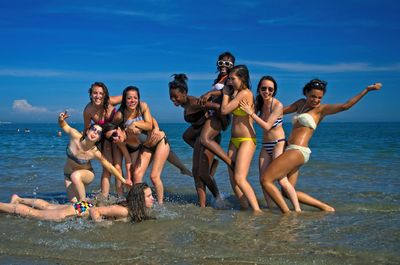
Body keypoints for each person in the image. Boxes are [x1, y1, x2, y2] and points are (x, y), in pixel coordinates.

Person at [261, 79, 382, 213]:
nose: (316, 100)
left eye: (319, 98)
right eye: (313, 96)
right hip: (290, 150)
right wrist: (260, 106)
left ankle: (287, 214)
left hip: (298, 151)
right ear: (306, 93)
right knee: (287, 191)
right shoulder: (300, 104)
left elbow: (345, 106)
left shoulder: (321, 110)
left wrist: (367, 90)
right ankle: (325, 208)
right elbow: (277, 112)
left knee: (266, 180)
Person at [240, 76, 301, 212]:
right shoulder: (259, 103)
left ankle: (297, 210)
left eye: (270, 89)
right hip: (265, 144)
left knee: (281, 179)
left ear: (274, 91)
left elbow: (267, 126)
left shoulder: (277, 105)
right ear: (259, 89)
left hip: (278, 143)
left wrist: (251, 113)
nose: (267, 91)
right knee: (263, 179)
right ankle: (270, 208)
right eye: (263, 88)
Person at [169, 74, 223, 207]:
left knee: (202, 173)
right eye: (171, 97)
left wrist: (222, 124)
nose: (173, 99)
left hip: (209, 137)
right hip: (198, 135)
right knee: (196, 172)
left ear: (184, 93)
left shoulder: (194, 102)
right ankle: (202, 206)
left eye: (176, 97)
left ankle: (218, 197)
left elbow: (216, 107)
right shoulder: (185, 104)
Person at [111, 86, 169, 204]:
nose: (132, 100)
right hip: (145, 146)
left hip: (159, 142)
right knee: (136, 174)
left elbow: (148, 125)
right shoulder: (120, 115)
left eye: (135, 98)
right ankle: (138, 203)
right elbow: (112, 127)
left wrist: (136, 124)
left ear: (139, 98)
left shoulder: (142, 106)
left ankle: (160, 204)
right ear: (124, 100)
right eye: (129, 98)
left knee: (154, 176)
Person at [58, 111, 125, 202]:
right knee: (74, 204)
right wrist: (61, 119)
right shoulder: (75, 136)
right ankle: (91, 204)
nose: (95, 133)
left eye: (98, 133)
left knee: (76, 180)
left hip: (86, 174)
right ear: (88, 130)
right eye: (93, 129)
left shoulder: (95, 152)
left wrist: (123, 180)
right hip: (67, 175)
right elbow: (64, 126)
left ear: (99, 138)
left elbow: (109, 166)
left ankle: (84, 201)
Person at [0, 183, 154, 223]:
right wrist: (101, 224)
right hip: (81, 210)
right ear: (139, 199)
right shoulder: (125, 211)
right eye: (149, 196)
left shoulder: (130, 208)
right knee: (35, 214)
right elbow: (96, 212)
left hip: (83, 207)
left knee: (47, 206)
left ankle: (18, 198)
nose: (152, 198)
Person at [220, 65, 261, 212]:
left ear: (242, 78)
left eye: (233, 79)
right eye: (229, 79)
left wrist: (225, 94)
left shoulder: (245, 93)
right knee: (232, 178)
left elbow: (224, 110)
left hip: (247, 140)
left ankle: (257, 211)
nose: (230, 82)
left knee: (239, 178)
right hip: (234, 141)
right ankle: (244, 207)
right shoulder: (236, 93)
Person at [83, 82, 123, 199]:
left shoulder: (111, 101)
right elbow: (87, 129)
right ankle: (104, 197)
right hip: (102, 139)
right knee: (107, 168)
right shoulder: (88, 110)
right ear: (90, 94)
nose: (98, 96)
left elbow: (129, 97)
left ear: (105, 95)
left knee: (118, 166)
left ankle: (121, 197)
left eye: (101, 93)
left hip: (115, 134)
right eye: (95, 93)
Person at [198, 52, 235, 169]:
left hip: (221, 115)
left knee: (204, 138)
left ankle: (229, 162)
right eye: (221, 63)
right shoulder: (219, 78)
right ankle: (213, 160)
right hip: (213, 114)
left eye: (227, 63)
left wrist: (209, 93)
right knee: (188, 136)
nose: (224, 65)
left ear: (232, 65)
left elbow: (227, 91)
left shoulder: (230, 79)